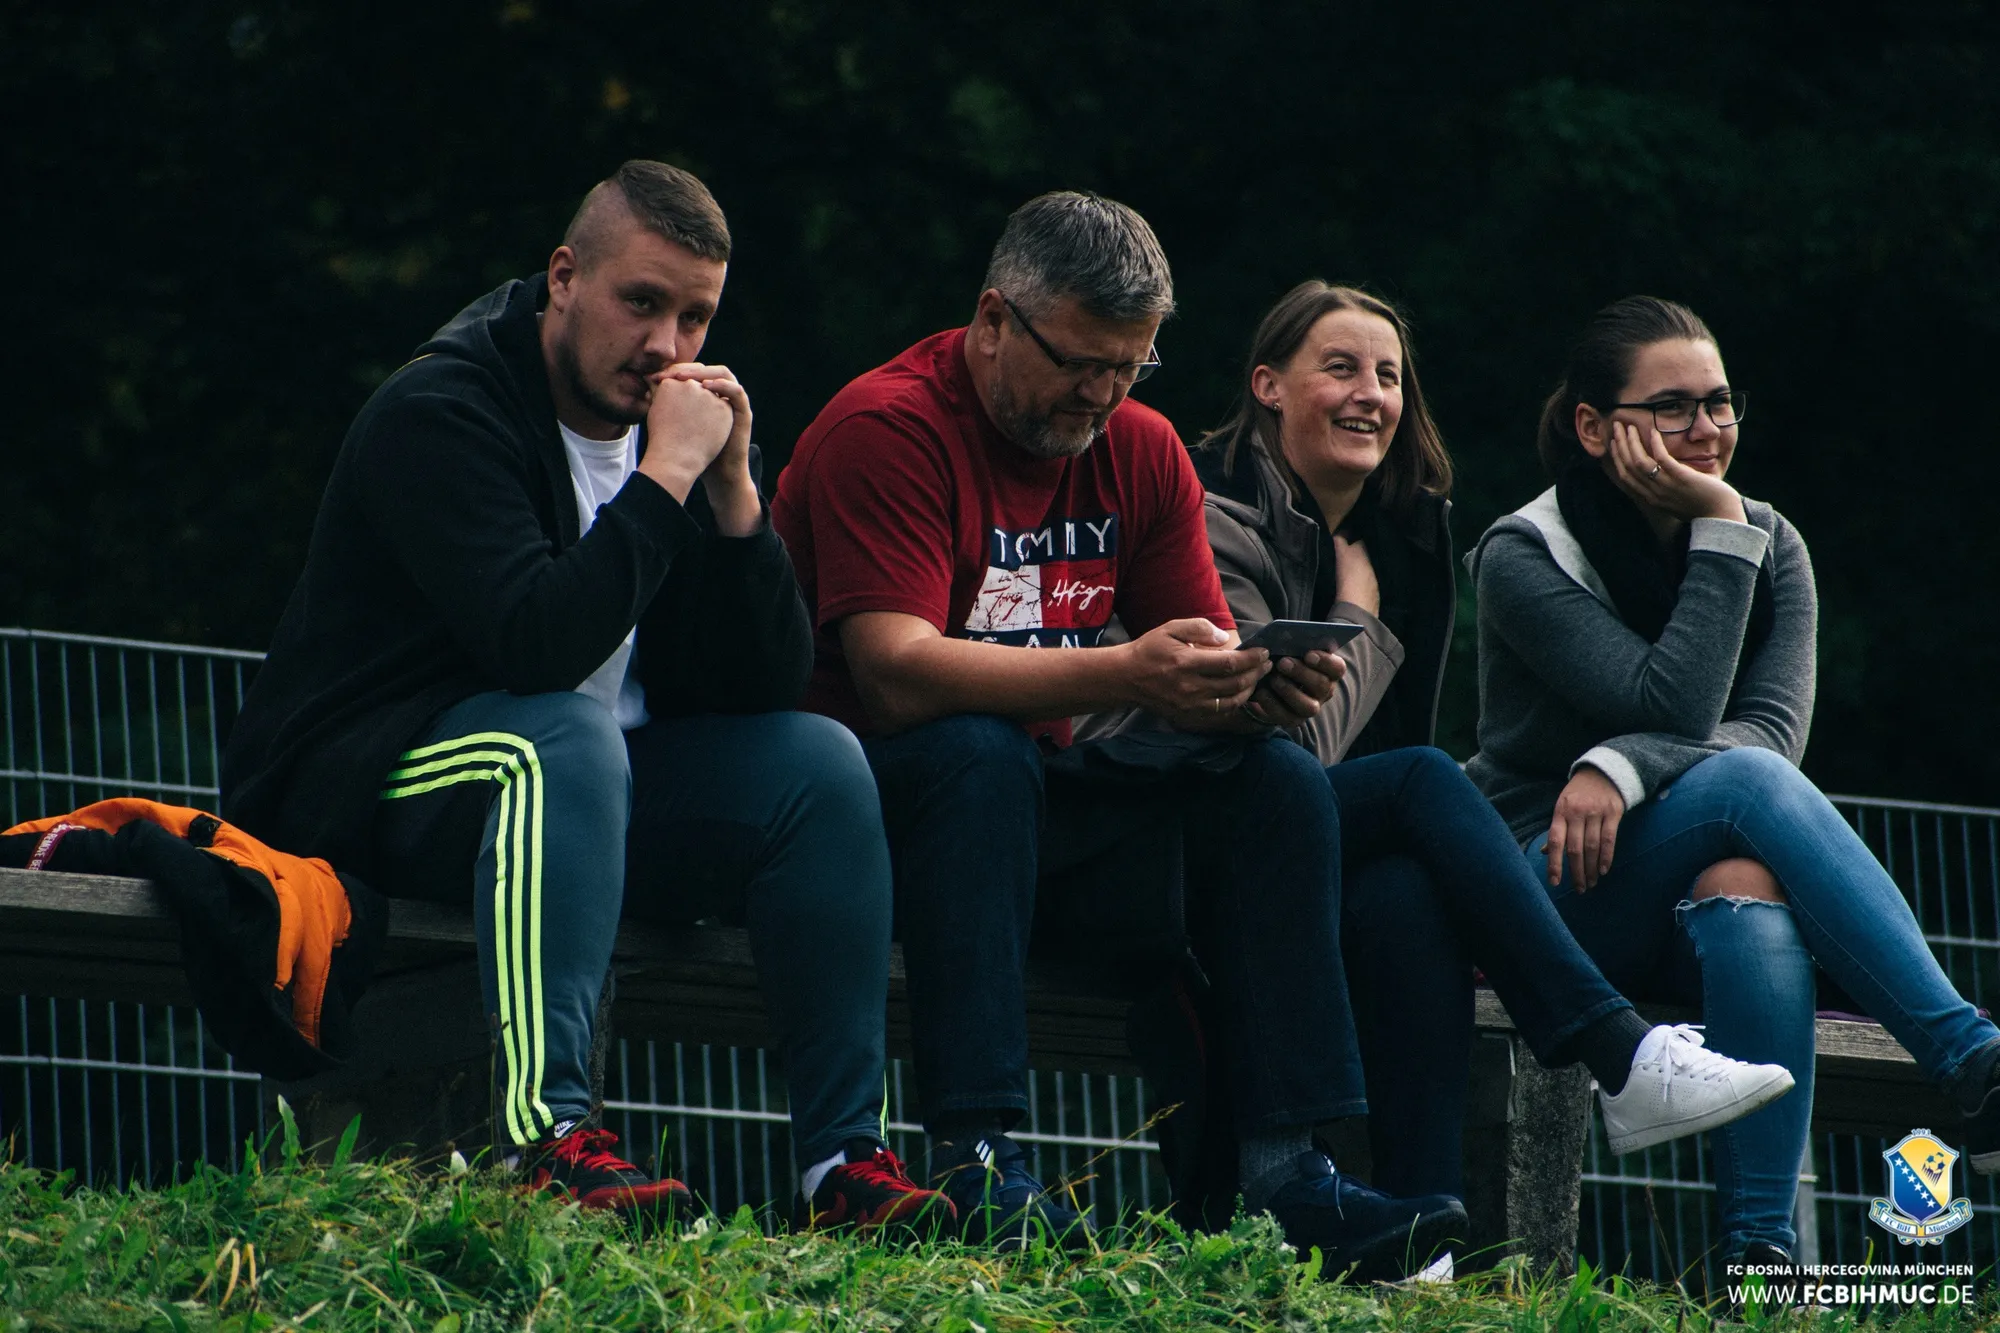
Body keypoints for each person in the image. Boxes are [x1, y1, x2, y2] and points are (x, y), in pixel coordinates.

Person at [221, 161, 949, 1234]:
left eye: (694, 318)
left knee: (818, 763)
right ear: (564, 277)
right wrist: (664, 482)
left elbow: (760, 686)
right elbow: (537, 645)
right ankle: (548, 1137)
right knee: (558, 738)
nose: (665, 346)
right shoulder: (441, 410)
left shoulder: (681, 441)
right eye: (640, 302)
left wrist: (735, 497)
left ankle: (842, 1163)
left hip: (585, 793)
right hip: (375, 791)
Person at [1159, 281, 1796, 1224]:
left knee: (1411, 896)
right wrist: (1358, 614)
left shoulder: (1404, 530)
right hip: (1193, 833)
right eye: (1340, 368)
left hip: (1307, 850)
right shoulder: (1212, 515)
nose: (1371, 393)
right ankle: (1618, 1052)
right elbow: (1287, 758)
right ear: (1268, 386)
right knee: (1422, 781)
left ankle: (1427, 1232)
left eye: (1389, 375)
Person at [1466, 294, 2000, 1267]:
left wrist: (1619, 765)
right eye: (1671, 407)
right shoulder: (1525, 553)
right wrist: (1716, 523)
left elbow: (1772, 732)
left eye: (1718, 402)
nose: (1707, 429)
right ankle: (1969, 1057)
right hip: (1547, 891)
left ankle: (1759, 1257)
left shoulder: (1773, 541)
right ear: (1593, 426)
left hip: (1679, 894)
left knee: (1747, 887)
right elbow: (1670, 702)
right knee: (1745, 784)